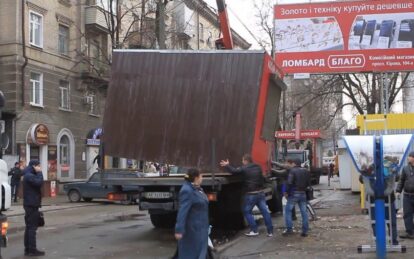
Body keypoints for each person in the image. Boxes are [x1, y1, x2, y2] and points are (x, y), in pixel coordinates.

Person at [220, 154, 273, 237]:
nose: (242, 162)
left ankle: (254, 230)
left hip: (251, 194)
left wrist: (227, 165)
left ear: (245, 161)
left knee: (247, 211)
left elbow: (234, 171)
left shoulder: (244, 168)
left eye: (242, 160)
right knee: (265, 212)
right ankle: (270, 232)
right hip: (260, 193)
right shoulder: (258, 167)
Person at [174, 168, 209, 259]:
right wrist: (179, 230)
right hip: (192, 231)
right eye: (201, 176)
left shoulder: (197, 188)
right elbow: (182, 212)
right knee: (191, 254)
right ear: (196, 178)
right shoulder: (187, 191)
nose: (202, 178)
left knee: (200, 253)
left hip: (201, 229)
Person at [23, 160, 45, 256]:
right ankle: (32, 250)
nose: (40, 168)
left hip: (30, 204)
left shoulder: (28, 174)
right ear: (34, 166)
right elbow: (39, 183)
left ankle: (28, 249)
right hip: (31, 204)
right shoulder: (29, 175)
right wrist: (40, 173)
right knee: (32, 228)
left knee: (29, 228)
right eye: (39, 166)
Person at [283, 158, 310, 237]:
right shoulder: (305, 171)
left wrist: (286, 192)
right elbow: (308, 183)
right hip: (303, 193)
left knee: (288, 211)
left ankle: (289, 229)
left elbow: (289, 183)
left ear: (294, 163)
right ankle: (305, 231)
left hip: (294, 193)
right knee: (304, 212)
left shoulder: (292, 171)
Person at [396, 151, 414, 239]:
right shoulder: (405, 168)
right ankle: (409, 232)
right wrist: (398, 191)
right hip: (407, 196)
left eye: (410, 156)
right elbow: (401, 180)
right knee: (407, 214)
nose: (408, 158)